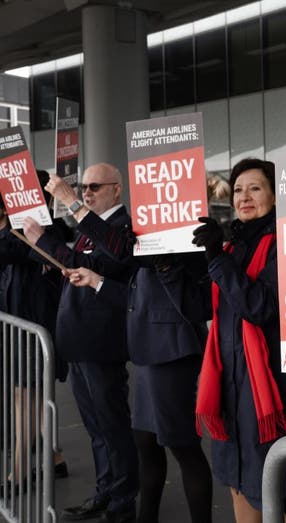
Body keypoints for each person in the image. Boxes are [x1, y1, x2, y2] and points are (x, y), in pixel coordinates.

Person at [45, 168, 215, 523]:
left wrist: (71, 202)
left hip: (171, 348)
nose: (88, 192)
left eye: (95, 187)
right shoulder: (145, 234)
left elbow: (124, 254)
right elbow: (132, 287)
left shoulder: (183, 239)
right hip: (146, 348)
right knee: (144, 442)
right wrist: (97, 282)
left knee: (181, 445)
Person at [191, 158, 286, 523]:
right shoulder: (233, 245)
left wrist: (215, 257)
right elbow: (201, 305)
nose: (245, 196)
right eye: (239, 189)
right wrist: (166, 264)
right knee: (238, 482)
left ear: (274, 195)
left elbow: (260, 306)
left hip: (270, 388)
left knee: (277, 492)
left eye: (255, 188)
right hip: (230, 384)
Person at [23, 163, 138, 523]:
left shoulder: (119, 227)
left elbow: (102, 261)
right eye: (83, 187)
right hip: (80, 341)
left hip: (102, 344)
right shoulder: (92, 227)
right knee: (96, 429)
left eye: (94, 186)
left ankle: (122, 503)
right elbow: (76, 263)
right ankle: (105, 492)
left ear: (116, 190)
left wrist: (47, 239)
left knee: (113, 428)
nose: (86, 192)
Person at [0, 172, 71, 492]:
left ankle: (18, 473)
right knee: (35, 398)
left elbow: (13, 250)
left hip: (33, 324)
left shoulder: (35, 231)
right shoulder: (22, 230)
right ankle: (54, 457)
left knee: (24, 397)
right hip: (24, 324)